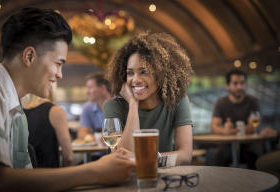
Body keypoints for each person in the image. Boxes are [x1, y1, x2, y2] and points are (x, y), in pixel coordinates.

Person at [0, 8, 134, 192]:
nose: (60, 75)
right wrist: (96, 171)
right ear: (29, 56)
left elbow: (25, 182)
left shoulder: (17, 109)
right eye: (58, 64)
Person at [103, 32, 194, 165]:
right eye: (130, 73)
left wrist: (147, 160)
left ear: (162, 74)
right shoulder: (113, 105)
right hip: (124, 181)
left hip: (165, 179)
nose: (135, 80)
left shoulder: (178, 100)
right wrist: (133, 104)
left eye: (144, 71)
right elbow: (123, 159)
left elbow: (185, 155)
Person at [209, 69, 260, 168]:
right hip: (228, 145)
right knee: (218, 157)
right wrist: (224, 130)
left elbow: (253, 127)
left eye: (242, 83)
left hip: (249, 144)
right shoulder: (221, 102)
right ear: (227, 86)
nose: (239, 87)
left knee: (254, 156)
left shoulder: (253, 101)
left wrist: (230, 131)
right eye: (235, 83)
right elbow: (214, 126)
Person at [22, 94, 73, 167]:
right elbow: (68, 157)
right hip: (49, 175)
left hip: (22, 176)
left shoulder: (14, 111)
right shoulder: (55, 111)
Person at [77, 73, 112, 142]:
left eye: (90, 88)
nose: (87, 92)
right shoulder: (88, 107)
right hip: (97, 152)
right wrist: (98, 138)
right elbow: (81, 134)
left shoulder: (118, 105)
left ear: (103, 88)